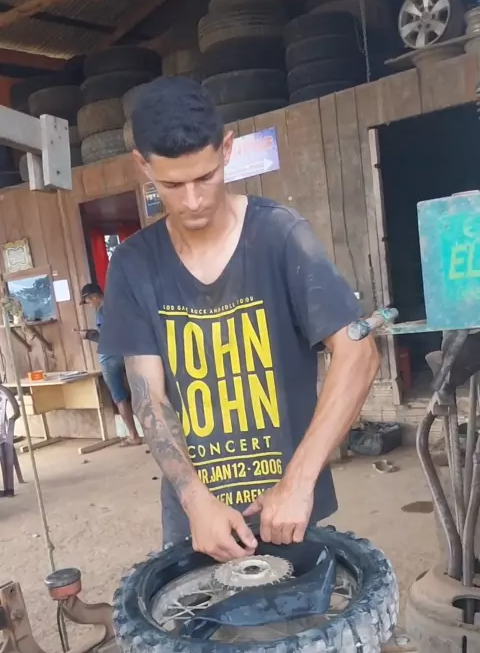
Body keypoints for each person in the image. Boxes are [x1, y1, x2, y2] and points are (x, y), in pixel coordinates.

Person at [99, 77, 379, 560]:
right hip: (197, 523)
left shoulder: (279, 236)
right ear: (143, 165)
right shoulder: (133, 265)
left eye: (205, 177)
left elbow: (359, 352)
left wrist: (299, 480)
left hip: (288, 515)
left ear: (227, 149)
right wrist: (195, 500)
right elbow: (149, 397)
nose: (193, 201)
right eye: (172, 185)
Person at [78, 283, 141, 447]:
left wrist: (88, 335)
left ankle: (133, 435)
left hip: (110, 358)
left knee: (119, 397)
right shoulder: (120, 306)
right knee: (140, 393)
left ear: (94, 297)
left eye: (88, 301)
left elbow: (107, 338)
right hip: (129, 353)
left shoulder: (101, 311)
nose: (89, 305)